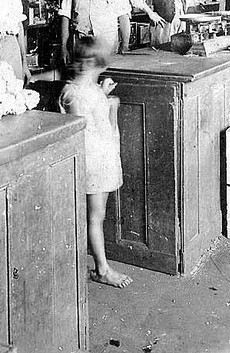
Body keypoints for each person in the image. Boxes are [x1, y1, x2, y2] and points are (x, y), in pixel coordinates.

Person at [59, 36, 131, 288]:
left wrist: (102, 93)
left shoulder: (78, 90)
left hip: (95, 159)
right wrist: (111, 106)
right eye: (100, 65)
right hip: (95, 162)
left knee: (93, 216)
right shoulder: (80, 94)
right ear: (91, 64)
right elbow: (91, 131)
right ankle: (102, 269)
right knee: (95, 218)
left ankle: (96, 264)